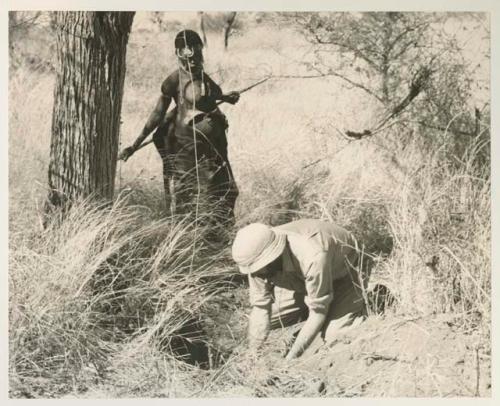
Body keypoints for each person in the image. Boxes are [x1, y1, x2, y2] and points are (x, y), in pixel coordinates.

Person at [119, 29, 240, 223]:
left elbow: (210, 96)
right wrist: (135, 145)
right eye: (187, 57)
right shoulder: (173, 81)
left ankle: (221, 238)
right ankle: (188, 240)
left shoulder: (201, 75)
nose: (192, 61)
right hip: (189, 149)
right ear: (178, 55)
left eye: (197, 55)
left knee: (225, 190)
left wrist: (227, 97)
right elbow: (157, 115)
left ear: (201, 52)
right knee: (196, 196)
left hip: (215, 148)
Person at [231, 219, 370, 360]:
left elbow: (318, 312)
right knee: (258, 326)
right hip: (302, 279)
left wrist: (291, 358)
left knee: (334, 336)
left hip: (344, 273)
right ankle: (312, 302)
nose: (256, 274)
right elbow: (261, 308)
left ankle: (359, 305)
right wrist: (253, 354)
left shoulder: (313, 254)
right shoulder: (255, 257)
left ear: (272, 256)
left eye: (259, 268)